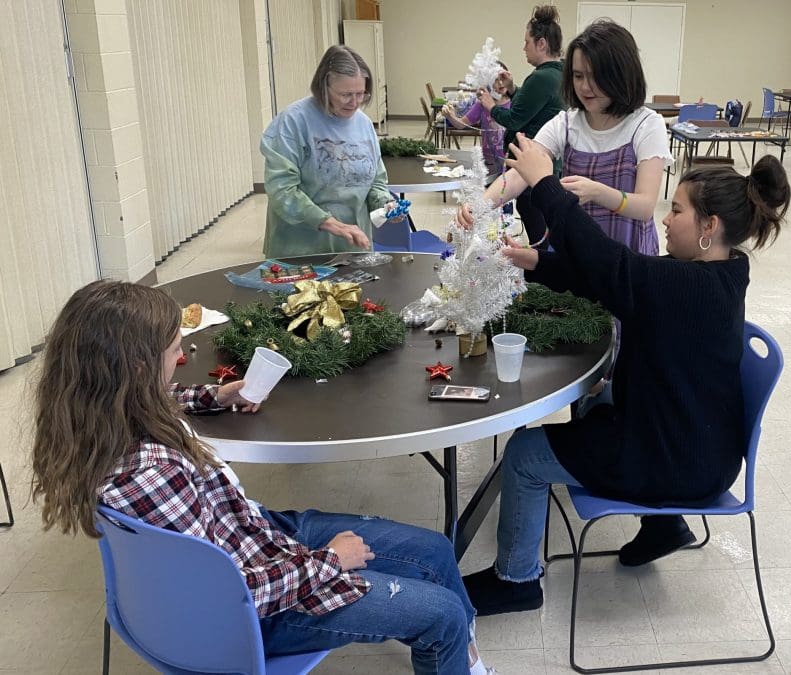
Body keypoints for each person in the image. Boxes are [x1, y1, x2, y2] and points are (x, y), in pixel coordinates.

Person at [29, 280, 495, 675]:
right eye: (174, 350)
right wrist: (330, 561)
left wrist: (215, 394)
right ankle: (457, 647)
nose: (183, 354)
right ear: (136, 368)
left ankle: (465, 658)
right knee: (444, 615)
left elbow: (163, 396)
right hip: (259, 607)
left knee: (433, 550)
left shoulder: (100, 414)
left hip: (250, 534)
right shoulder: (151, 475)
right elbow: (229, 596)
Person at [461, 134, 791, 615]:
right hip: (695, 440)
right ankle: (664, 525)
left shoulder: (684, 286)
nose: (665, 218)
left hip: (677, 460)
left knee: (524, 455)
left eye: (676, 210)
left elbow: (615, 267)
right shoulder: (717, 273)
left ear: (709, 225)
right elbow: (617, 280)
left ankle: (515, 579)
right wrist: (537, 262)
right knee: (598, 399)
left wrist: (545, 183)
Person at [462, 20, 671, 256]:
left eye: (595, 76)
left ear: (621, 74)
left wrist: (597, 192)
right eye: (578, 76)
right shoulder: (567, 123)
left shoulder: (646, 124)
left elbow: (645, 206)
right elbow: (521, 172)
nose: (584, 87)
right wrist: (480, 205)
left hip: (627, 256)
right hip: (577, 250)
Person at [261, 45, 402, 258]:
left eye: (360, 94)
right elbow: (282, 192)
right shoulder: (293, 122)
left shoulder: (363, 124)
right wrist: (330, 223)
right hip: (302, 250)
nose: (354, 103)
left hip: (354, 247)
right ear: (323, 86)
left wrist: (386, 203)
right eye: (345, 94)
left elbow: (375, 181)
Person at [476, 4, 565, 242]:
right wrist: (515, 89)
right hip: (550, 164)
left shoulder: (541, 77)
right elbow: (535, 108)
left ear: (542, 44)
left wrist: (489, 105)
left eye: (527, 41)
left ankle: (541, 268)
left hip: (531, 166)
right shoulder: (560, 72)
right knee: (542, 219)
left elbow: (514, 119)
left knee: (534, 218)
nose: (523, 47)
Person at [442, 61, 512, 173]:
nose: (500, 83)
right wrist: (450, 116)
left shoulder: (515, 102)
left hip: (509, 159)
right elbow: (461, 124)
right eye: (495, 79)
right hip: (488, 159)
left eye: (503, 78)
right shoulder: (482, 103)